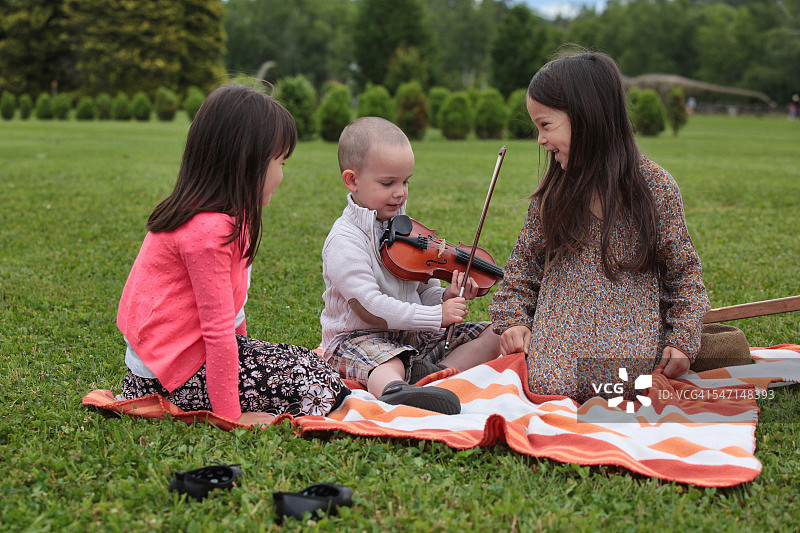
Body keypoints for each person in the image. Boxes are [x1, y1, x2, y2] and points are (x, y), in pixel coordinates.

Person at [117, 85, 348, 426]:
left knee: (312, 365)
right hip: (170, 378)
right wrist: (230, 416)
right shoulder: (209, 232)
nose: (282, 176)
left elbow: (232, 313)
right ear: (246, 162)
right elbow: (217, 333)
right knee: (315, 383)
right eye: (280, 162)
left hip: (185, 363)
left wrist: (247, 359)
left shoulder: (227, 219)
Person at [488, 51, 710, 403]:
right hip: (549, 375)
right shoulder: (553, 194)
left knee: (614, 399)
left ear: (586, 117)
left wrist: (682, 340)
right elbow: (519, 274)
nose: (541, 140)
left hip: (625, 371)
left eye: (545, 126)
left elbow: (683, 276)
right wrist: (513, 321)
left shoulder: (655, 189)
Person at [320, 117, 501, 414]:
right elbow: (370, 307)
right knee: (385, 361)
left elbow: (423, 288)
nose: (400, 192)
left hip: (413, 338)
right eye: (388, 183)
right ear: (352, 180)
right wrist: (434, 316)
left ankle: (434, 377)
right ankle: (394, 389)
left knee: (494, 333)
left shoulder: (406, 230)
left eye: (405, 181)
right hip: (360, 338)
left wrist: (444, 298)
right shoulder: (345, 240)